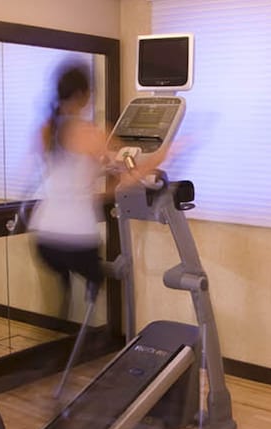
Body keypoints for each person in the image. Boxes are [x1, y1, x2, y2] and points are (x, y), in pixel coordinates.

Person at [29, 62, 165, 313]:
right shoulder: (89, 132)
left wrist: (103, 178)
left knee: (68, 295)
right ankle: (83, 313)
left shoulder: (46, 129)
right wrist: (168, 153)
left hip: (44, 237)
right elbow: (131, 174)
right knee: (99, 277)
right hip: (76, 237)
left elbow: (68, 176)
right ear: (81, 94)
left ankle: (65, 315)